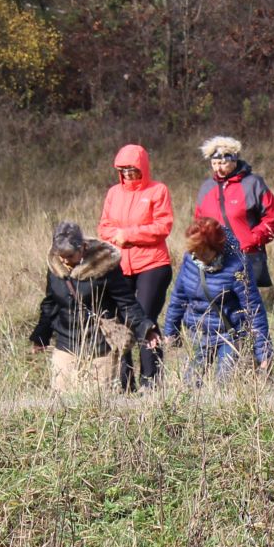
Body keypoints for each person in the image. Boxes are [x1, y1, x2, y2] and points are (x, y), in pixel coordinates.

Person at [30, 221, 157, 393]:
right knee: (61, 402)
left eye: (70, 256)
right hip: (66, 343)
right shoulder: (55, 265)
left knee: (97, 402)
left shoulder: (105, 266)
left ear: (82, 247)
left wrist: (146, 329)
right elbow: (50, 303)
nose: (65, 261)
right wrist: (41, 336)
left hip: (99, 345)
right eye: (61, 256)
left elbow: (126, 302)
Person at [98, 144, 175, 384]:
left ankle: (151, 382)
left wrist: (129, 235)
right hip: (120, 266)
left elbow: (163, 227)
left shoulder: (157, 191)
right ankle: (124, 381)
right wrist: (116, 236)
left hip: (153, 264)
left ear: (142, 167)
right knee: (122, 322)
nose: (128, 174)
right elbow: (104, 227)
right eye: (123, 170)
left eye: (132, 169)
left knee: (145, 318)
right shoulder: (114, 193)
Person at [160, 217, 271, 381]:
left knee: (225, 383)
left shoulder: (237, 266)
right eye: (194, 252)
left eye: (202, 252)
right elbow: (178, 297)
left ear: (216, 248)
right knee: (190, 383)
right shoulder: (191, 260)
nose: (198, 256)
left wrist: (264, 352)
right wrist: (170, 331)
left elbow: (253, 308)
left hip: (229, 334)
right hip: (198, 333)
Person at [193, 136, 274, 291]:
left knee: (246, 305)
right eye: (214, 163)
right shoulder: (206, 188)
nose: (218, 168)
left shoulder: (253, 183)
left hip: (246, 256)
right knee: (218, 305)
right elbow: (198, 223)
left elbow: (272, 219)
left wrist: (251, 240)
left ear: (234, 160)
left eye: (222, 163)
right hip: (213, 259)